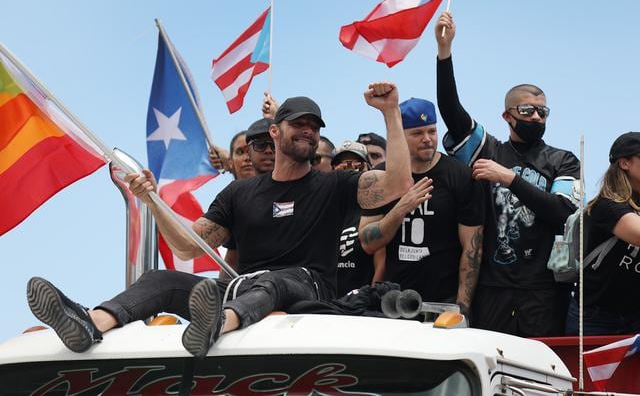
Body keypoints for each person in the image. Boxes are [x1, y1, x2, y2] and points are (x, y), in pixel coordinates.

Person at [26, 82, 413, 358]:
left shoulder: (334, 186)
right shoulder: (238, 194)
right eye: (300, 125)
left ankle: (215, 327)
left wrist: (391, 113)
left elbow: (397, 183)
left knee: (276, 280)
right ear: (276, 132)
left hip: (306, 290)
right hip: (243, 290)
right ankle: (87, 324)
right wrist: (151, 200)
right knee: (159, 279)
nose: (309, 132)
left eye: (314, 128)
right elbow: (186, 245)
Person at [434, 11, 581, 337]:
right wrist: (444, 53)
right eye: (527, 110)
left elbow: (562, 213)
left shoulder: (563, 159)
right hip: (492, 286)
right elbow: (451, 111)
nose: (536, 117)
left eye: (543, 111)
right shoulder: (488, 148)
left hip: (543, 288)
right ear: (507, 115)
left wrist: (509, 178)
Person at [359, 98, 485, 316]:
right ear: (401, 136)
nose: (427, 139)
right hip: (392, 300)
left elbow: (472, 249)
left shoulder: (459, 176)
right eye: (417, 133)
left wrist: (462, 306)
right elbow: (368, 243)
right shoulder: (381, 177)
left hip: (443, 301)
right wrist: (401, 209)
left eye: (432, 131)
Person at [566, 132, 640, 335]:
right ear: (625, 163)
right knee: (583, 368)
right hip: (595, 316)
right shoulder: (607, 205)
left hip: (634, 315)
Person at [219, 118, 276, 282]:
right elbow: (232, 260)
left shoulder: (301, 189)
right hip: (248, 295)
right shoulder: (232, 200)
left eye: (272, 145)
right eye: (240, 152)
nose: (246, 158)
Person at [331, 140, 381, 296]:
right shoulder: (321, 208)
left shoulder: (376, 209)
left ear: (369, 169)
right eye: (342, 166)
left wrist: (371, 298)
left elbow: (382, 263)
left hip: (362, 305)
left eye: (358, 164)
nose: (350, 169)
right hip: (325, 304)